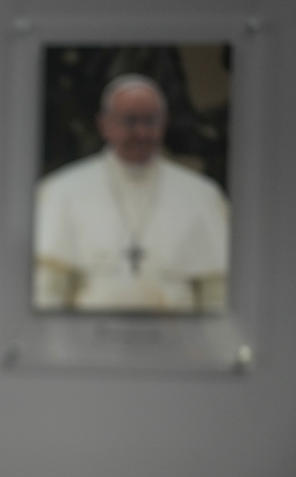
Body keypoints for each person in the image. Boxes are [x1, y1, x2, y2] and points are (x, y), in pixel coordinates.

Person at [33, 73, 230, 313]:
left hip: (179, 344)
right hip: (86, 343)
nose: (141, 133)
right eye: (130, 121)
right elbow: (47, 293)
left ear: (164, 123)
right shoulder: (61, 191)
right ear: (104, 124)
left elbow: (217, 296)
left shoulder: (202, 195)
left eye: (150, 121)